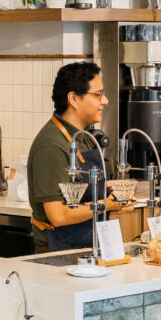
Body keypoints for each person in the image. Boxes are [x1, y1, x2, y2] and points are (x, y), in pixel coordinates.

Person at [27, 61, 129, 250]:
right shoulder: (51, 145)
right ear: (73, 98)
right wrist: (107, 204)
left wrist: (111, 190)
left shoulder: (83, 138)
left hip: (90, 246)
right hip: (59, 253)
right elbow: (58, 215)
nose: (105, 101)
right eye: (98, 94)